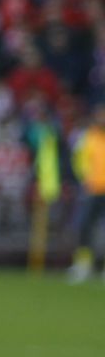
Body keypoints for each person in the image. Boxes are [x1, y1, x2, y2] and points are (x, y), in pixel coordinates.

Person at [66, 102, 105, 283]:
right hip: (91, 190)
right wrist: (84, 179)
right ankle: (84, 264)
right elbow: (78, 161)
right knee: (84, 227)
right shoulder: (87, 137)